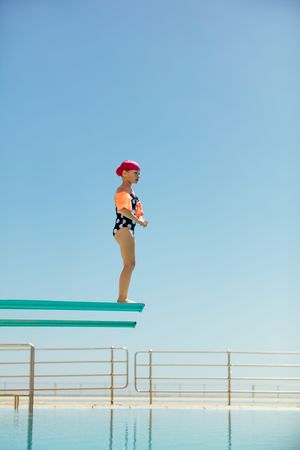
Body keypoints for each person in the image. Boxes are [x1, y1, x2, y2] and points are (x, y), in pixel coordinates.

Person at [113, 160, 148, 303]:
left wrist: (141, 218)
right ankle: (122, 298)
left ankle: (123, 297)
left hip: (128, 228)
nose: (138, 176)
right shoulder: (122, 191)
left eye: (139, 173)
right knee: (129, 264)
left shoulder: (132, 193)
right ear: (125, 173)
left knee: (131, 264)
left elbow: (138, 210)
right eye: (135, 173)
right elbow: (123, 209)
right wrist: (138, 221)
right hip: (123, 228)